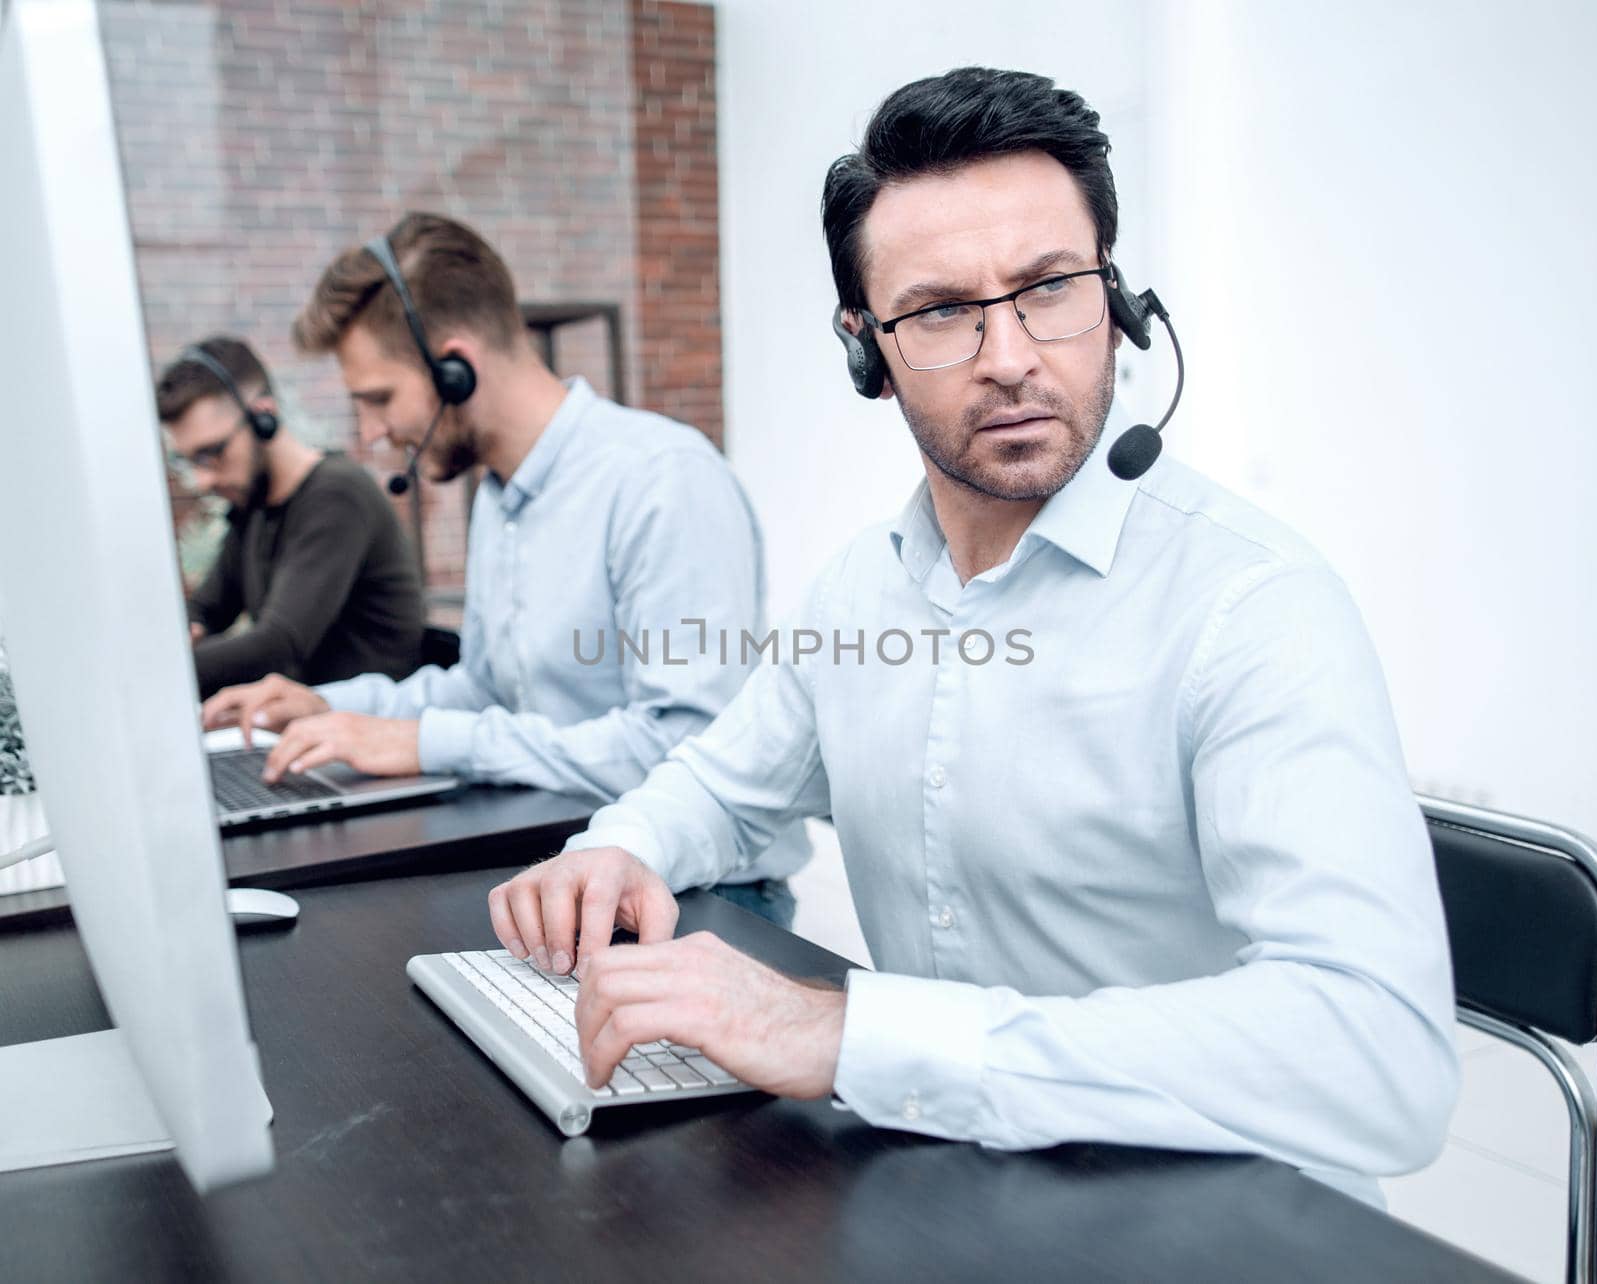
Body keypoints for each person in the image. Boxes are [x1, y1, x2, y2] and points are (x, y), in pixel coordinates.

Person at [487, 68, 1459, 1202]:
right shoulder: (864, 591)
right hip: (952, 1192)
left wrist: (851, 1037)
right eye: (942, 310)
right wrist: (625, 846)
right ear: (866, 347)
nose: (1009, 355)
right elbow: (725, 783)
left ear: (1120, 299)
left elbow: (1378, 1054)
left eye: (1051, 288)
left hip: (1223, 1220)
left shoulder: (1253, 606)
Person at [202, 213, 806, 926]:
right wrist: (336, 707)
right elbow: (484, 687)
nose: (370, 433)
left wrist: (423, 741)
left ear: (455, 367)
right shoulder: (499, 495)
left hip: (702, 896)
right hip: (560, 864)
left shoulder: (662, 481)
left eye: (379, 399)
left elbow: (679, 743)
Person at [160, 337, 424, 697]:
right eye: (189, 461)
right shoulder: (254, 504)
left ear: (263, 416)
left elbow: (279, 645)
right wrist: (189, 628)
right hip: (307, 733)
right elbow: (207, 607)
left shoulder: (336, 496)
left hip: (370, 731)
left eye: (213, 453)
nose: (202, 480)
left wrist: (157, 671)